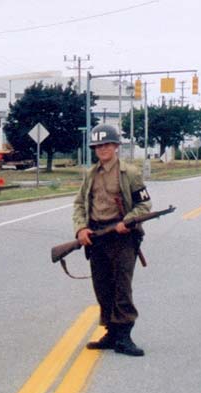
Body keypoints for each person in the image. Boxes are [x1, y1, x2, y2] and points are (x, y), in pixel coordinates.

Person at [73, 124, 152, 357]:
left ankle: (124, 335)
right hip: (97, 237)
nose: (102, 149)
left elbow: (144, 204)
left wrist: (127, 221)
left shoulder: (130, 173)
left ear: (116, 146)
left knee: (121, 286)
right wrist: (81, 229)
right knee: (102, 287)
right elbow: (79, 204)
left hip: (122, 237)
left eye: (107, 144)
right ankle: (111, 332)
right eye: (98, 146)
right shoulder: (90, 174)